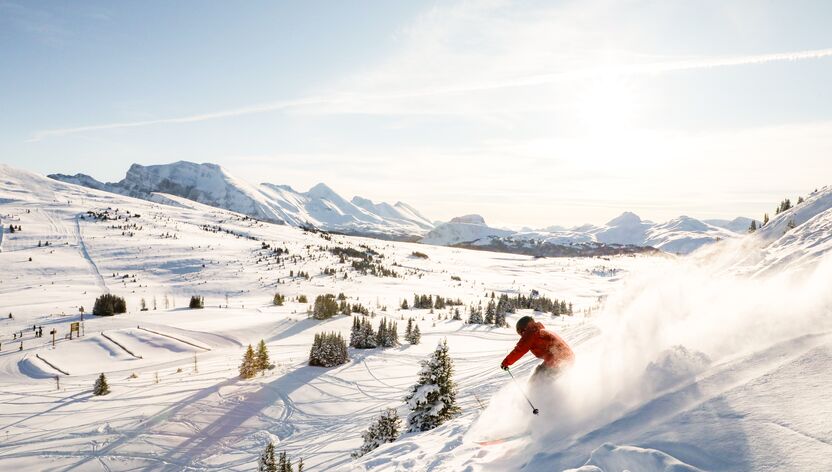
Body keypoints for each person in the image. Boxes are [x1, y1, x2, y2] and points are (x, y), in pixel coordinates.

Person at [501, 315, 574, 383]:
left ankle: (538, 395)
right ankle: (541, 393)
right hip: (564, 358)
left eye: (520, 333)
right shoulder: (538, 331)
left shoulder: (531, 332)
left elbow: (520, 349)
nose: (522, 336)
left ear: (523, 329)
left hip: (558, 360)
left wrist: (506, 363)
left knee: (538, 379)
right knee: (539, 373)